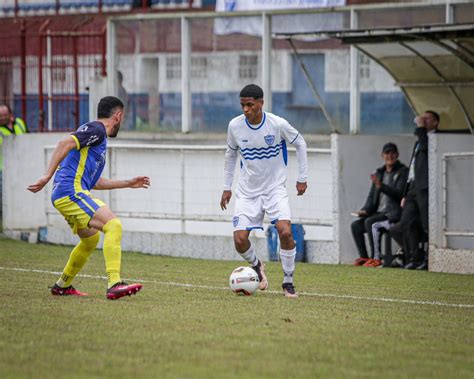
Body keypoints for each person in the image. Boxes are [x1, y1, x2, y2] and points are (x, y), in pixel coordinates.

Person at [27, 96, 150, 300]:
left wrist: (128, 183)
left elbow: (94, 182)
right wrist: (46, 175)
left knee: (91, 239)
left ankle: (62, 285)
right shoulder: (97, 129)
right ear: (118, 116)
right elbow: (64, 143)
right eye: (123, 116)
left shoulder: (95, 137)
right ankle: (114, 283)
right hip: (70, 191)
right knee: (114, 226)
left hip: (68, 192)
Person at [220, 84, 308, 298]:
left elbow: (301, 143)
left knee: (285, 231)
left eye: (250, 105)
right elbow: (230, 156)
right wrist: (226, 187)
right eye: (242, 105)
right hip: (247, 192)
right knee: (240, 240)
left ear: (261, 103)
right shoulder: (235, 126)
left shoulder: (277, 124)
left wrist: (302, 178)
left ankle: (288, 281)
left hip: (274, 190)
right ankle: (258, 266)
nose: (246, 110)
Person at [351, 142, 408, 267]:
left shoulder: (403, 172)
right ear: (382, 156)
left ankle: (375, 258)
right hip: (379, 213)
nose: (390, 156)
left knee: (370, 222)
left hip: (393, 215)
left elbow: (399, 193)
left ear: (397, 155)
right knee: (356, 225)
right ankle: (364, 257)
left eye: (393, 153)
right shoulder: (379, 173)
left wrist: (381, 186)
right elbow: (372, 197)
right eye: (387, 153)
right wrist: (365, 210)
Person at [401, 110, 439, 270]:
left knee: (426, 223)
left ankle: (430, 259)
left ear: (435, 122)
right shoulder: (419, 140)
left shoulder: (434, 138)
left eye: (427, 118)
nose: (423, 120)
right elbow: (413, 167)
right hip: (413, 188)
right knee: (407, 221)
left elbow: (426, 148)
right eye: (422, 118)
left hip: (425, 188)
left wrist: (421, 128)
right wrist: (405, 193)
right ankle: (415, 257)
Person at [0, 104, 28, 215]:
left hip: (21, 165)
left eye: (4, 115)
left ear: (10, 115)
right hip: (3, 167)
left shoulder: (19, 123)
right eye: (0, 116)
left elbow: (28, 137)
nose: (2, 118)